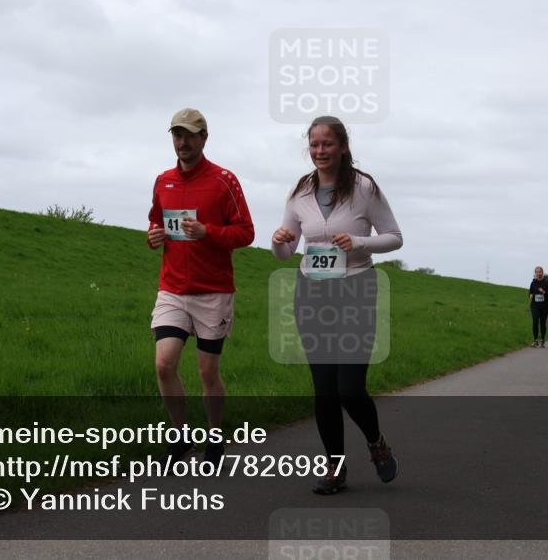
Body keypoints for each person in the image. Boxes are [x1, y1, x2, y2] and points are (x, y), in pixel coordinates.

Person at [272, 115, 403, 495]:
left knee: (349, 388)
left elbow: (394, 237)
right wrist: (279, 240)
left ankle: (376, 442)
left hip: (356, 291)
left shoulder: (364, 188)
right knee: (324, 389)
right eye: (314, 145)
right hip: (312, 293)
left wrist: (359, 243)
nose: (320, 151)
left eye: (327, 144)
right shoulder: (300, 190)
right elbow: (285, 251)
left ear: (343, 146)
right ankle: (334, 469)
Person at [147, 108, 254, 464]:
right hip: (173, 288)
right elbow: (155, 223)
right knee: (164, 364)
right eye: (177, 135)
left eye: (190, 135)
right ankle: (180, 439)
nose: (183, 142)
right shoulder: (163, 181)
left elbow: (246, 233)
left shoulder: (224, 180)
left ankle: (214, 437)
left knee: (207, 370)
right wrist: (154, 235)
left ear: (204, 138)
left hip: (213, 291)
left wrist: (209, 232)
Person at [529, 266, 548, 347]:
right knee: (535, 322)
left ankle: (542, 340)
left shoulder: (546, 283)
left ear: (542, 273)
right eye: (537, 272)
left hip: (545, 306)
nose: (538, 274)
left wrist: (544, 292)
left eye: (540, 272)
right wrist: (531, 295)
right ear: (535, 273)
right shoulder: (533, 283)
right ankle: (535, 340)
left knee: (542, 323)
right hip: (535, 305)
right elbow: (530, 292)